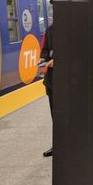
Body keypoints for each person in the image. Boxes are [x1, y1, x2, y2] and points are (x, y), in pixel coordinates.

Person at [41, 19, 54, 157]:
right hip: (52, 81)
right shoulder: (50, 29)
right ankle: (57, 145)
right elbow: (45, 50)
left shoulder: (74, 27)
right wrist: (43, 60)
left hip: (70, 83)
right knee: (55, 115)